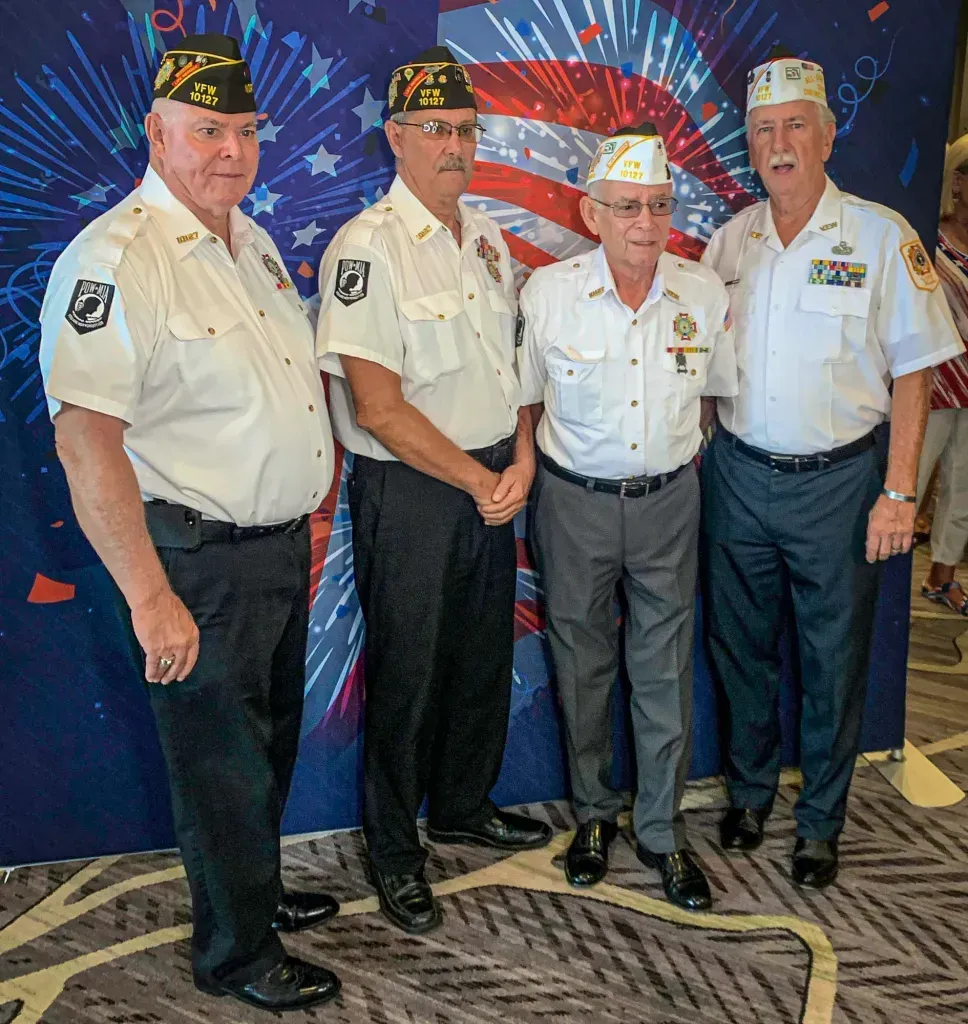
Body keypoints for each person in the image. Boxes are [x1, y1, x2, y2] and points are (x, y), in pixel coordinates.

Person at [39, 34, 340, 1012]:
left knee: (263, 748)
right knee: (218, 765)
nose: (230, 151)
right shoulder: (118, 257)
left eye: (245, 132)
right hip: (195, 561)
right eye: (206, 130)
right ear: (157, 133)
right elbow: (88, 443)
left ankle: (249, 895)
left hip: (271, 552)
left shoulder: (244, 242)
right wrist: (149, 594)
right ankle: (237, 956)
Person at [701, 53, 962, 889]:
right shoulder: (729, 241)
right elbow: (703, 366)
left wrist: (898, 490)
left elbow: (916, 372)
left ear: (826, 133)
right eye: (765, 129)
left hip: (841, 486)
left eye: (795, 127)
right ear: (751, 141)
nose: (780, 144)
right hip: (737, 477)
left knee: (832, 659)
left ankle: (820, 820)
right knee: (740, 650)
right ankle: (748, 795)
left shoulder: (883, 239)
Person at [315, 45, 551, 936]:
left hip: (493, 475)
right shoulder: (366, 250)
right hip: (414, 492)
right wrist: (482, 477)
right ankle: (393, 849)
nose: (453, 144)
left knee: (481, 658)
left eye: (464, 129)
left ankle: (460, 803)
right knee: (409, 672)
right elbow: (376, 406)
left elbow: (515, 371)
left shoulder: (485, 236)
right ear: (396, 139)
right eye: (434, 130)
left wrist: (520, 457)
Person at [517, 125, 737, 910]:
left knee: (665, 668)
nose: (646, 223)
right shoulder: (547, 295)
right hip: (572, 502)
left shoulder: (702, 292)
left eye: (658, 206)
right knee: (582, 666)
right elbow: (524, 401)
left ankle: (662, 832)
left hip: (670, 501)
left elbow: (715, 397)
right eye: (627, 207)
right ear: (592, 212)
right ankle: (593, 817)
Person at [917, 135, 968, 614]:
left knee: (964, 486)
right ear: (958, 181)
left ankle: (943, 576)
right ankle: (884, 581)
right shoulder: (929, 241)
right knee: (909, 483)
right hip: (930, 387)